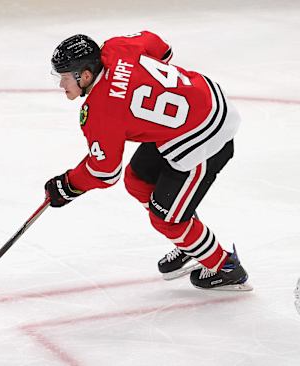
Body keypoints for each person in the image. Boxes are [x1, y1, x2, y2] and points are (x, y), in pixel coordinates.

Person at [44, 31, 252, 291]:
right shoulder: (116, 47)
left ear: (85, 75)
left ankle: (226, 268)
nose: (61, 85)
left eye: (64, 78)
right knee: (137, 180)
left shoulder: (101, 113)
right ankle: (191, 243)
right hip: (201, 100)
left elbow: (104, 172)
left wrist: (67, 185)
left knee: (167, 220)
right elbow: (160, 46)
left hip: (205, 135)